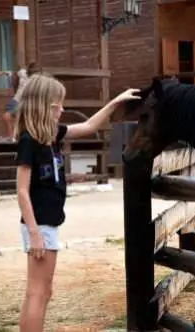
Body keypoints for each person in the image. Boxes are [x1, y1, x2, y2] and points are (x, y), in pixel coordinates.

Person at [14, 73, 140, 332]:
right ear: (41, 106)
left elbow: (89, 127)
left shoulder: (53, 135)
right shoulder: (29, 141)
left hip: (47, 223)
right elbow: (22, 191)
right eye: (56, 105)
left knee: (40, 292)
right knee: (38, 293)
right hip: (40, 225)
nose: (62, 109)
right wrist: (36, 233)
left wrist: (115, 101)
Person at [3, 62, 41, 139]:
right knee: (6, 116)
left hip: (27, 102)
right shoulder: (23, 73)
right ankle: (11, 137)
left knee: (23, 120)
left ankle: (24, 136)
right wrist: (14, 85)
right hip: (16, 100)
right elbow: (16, 74)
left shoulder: (38, 80)